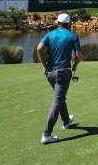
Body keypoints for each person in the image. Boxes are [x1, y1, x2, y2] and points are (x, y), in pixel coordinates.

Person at [37, 13, 81, 144]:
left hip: (50, 73)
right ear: (69, 24)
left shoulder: (49, 34)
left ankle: (66, 121)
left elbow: (39, 49)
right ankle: (46, 134)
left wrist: (44, 65)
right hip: (63, 73)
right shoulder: (73, 36)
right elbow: (78, 57)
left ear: (57, 23)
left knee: (60, 97)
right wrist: (74, 68)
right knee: (57, 101)